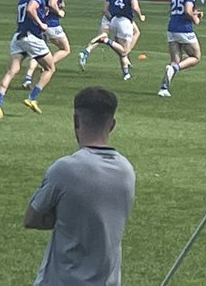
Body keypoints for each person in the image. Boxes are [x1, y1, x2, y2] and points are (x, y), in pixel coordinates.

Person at [23, 86, 135, 286]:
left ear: (76, 120)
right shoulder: (127, 171)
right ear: (112, 125)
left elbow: (31, 218)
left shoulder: (65, 169)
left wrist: (64, 218)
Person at [0, 0, 55, 116]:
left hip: (18, 37)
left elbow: (27, 11)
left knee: (12, 71)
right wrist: (41, 24)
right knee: (50, 68)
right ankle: (32, 98)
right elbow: (31, 9)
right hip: (32, 38)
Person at [80, 0, 143, 79]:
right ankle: (105, 41)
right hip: (124, 20)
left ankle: (126, 73)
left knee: (123, 44)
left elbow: (105, 8)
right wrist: (141, 16)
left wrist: (112, 17)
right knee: (124, 51)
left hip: (114, 19)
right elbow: (134, 7)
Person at [158, 0, 203, 97]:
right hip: (184, 29)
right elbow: (187, 11)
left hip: (172, 28)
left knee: (174, 60)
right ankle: (175, 68)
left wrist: (194, 13)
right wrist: (195, 19)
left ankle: (164, 88)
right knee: (196, 57)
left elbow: (175, 11)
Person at [26, 0, 69, 87]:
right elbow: (51, 3)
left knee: (38, 52)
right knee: (65, 49)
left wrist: (59, 4)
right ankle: (47, 65)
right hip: (52, 24)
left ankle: (28, 77)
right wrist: (59, 11)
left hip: (41, 23)